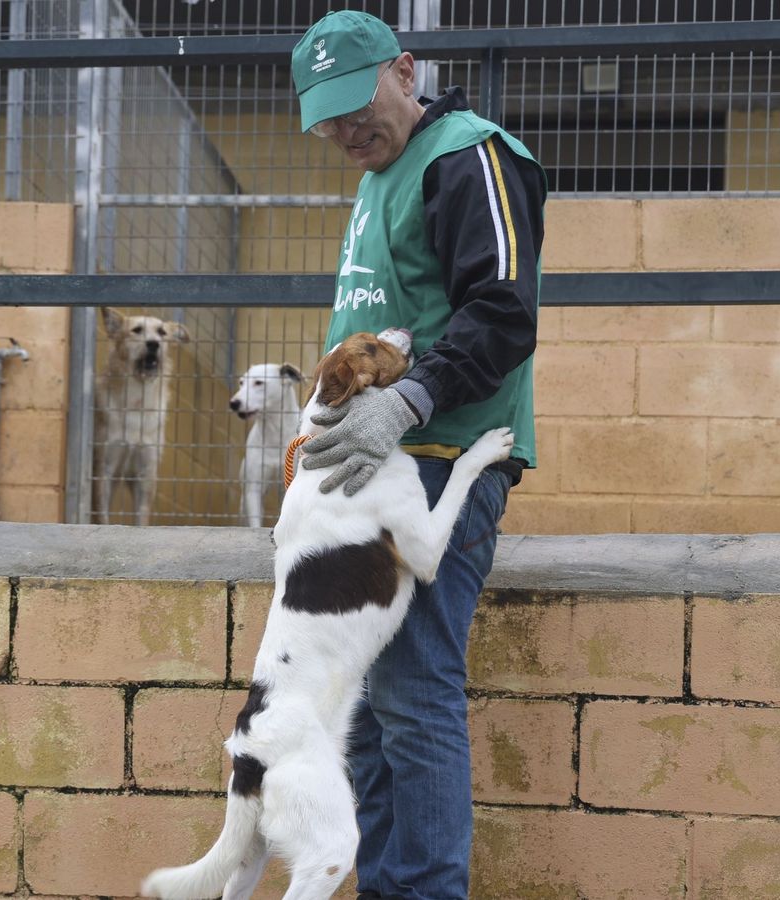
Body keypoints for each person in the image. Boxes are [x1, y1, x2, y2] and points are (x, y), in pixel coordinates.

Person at [289, 10, 546, 899]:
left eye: (358, 107)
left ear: (406, 72)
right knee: (365, 708)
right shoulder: (380, 174)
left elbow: (504, 310)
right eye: (326, 119)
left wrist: (406, 399)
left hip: (438, 457)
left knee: (412, 693)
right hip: (363, 473)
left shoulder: (465, 155)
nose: (346, 131)